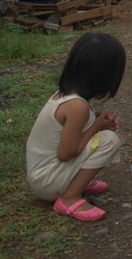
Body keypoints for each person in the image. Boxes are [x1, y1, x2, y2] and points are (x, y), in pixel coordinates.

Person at [25, 33, 126, 222]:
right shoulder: (77, 106)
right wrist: (96, 126)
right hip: (47, 180)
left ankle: (73, 182)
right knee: (109, 140)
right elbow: (66, 153)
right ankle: (69, 197)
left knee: (102, 136)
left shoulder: (66, 96)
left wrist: (94, 120)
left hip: (43, 174)